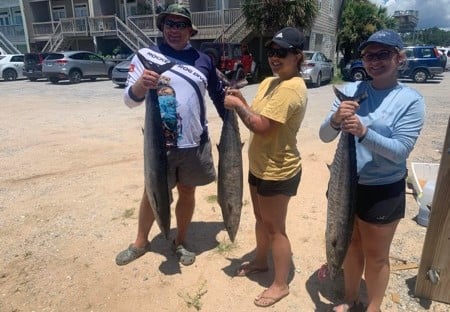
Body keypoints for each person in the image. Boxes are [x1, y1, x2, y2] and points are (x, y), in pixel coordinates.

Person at [319, 29, 425, 312]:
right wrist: (335, 119)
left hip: (382, 190)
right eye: (369, 55)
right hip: (344, 184)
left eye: (383, 54)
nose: (375, 61)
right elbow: (324, 136)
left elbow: (401, 150)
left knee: (376, 256)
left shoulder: (410, 101)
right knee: (351, 245)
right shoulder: (352, 91)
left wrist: (364, 132)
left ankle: (374, 306)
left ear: (399, 58)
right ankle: (350, 298)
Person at [115, 4, 225, 267]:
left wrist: (233, 117)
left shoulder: (203, 60)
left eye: (180, 25)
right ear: (162, 27)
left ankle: (180, 241)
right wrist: (143, 84)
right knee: (151, 192)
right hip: (159, 145)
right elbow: (129, 100)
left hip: (194, 142)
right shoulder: (145, 55)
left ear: (190, 30)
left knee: (188, 191)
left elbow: (218, 97)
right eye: (169, 24)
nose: (174, 30)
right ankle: (141, 241)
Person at [224, 27, 308, 307]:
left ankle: (281, 284)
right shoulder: (269, 83)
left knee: (275, 229)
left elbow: (261, 127)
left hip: (278, 170)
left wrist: (237, 107)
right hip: (259, 165)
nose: (275, 57)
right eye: (272, 51)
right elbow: (257, 113)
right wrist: (243, 101)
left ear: (297, 56)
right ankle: (261, 261)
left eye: (281, 52)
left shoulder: (292, 88)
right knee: (260, 220)